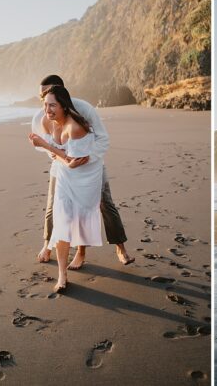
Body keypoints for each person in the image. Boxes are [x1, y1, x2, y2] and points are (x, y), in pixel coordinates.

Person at [31, 75, 134, 267]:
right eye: (41, 95)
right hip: (62, 166)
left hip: (91, 165)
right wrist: (55, 156)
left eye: (48, 93)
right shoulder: (41, 116)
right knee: (53, 206)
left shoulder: (84, 108)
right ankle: (47, 245)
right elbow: (47, 145)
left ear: (61, 93)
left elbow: (103, 139)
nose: (44, 98)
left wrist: (87, 158)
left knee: (105, 204)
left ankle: (120, 247)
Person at [29, 86, 105, 293]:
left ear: (64, 106)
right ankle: (62, 275)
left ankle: (81, 253)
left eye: (52, 105)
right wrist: (49, 148)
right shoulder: (47, 121)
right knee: (62, 220)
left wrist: (45, 145)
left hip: (85, 176)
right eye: (45, 105)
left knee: (78, 219)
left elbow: (73, 161)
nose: (48, 110)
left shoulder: (75, 127)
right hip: (64, 175)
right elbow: (63, 158)